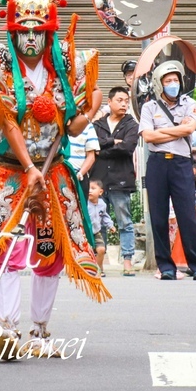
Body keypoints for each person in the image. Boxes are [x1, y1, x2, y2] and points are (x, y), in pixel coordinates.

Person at [0, 0, 106, 360]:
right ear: (13, 30)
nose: (32, 38)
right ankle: (7, 328)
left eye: (39, 30)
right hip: (10, 173)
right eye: (24, 31)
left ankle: (39, 331)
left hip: (53, 174)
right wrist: (28, 167)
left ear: (49, 30)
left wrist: (88, 111)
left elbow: (71, 128)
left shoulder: (66, 61)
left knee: (49, 251)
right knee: (6, 248)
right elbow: (6, 122)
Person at [139, 60, 196, 281]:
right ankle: (165, 267)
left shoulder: (189, 103)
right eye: (168, 81)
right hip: (157, 164)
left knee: (187, 216)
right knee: (158, 217)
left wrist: (163, 132)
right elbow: (148, 136)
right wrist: (177, 130)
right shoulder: (149, 107)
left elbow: (190, 128)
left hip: (181, 164)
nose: (173, 84)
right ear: (159, 84)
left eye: (175, 80)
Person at [92, 86, 140, 276]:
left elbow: (127, 148)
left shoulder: (131, 124)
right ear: (109, 102)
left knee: (125, 222)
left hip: (121, 180)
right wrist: (113, 141)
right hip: (99, 180)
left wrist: (103, 150)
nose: (124, 104)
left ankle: (127, 262)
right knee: (98, 222)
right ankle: (99, 264)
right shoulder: (98, 124)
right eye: (119, 100)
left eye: (126, 101)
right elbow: (93, 144)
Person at [86, 180, 115, 278]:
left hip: (96, 232)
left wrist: (110, 225)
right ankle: (81, 269)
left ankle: (99, 268)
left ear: (100, 192)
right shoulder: (85, 203)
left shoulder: (102, 204)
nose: (90, 191)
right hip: (84, 233)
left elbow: (104, 216)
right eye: (88, 188)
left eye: (93, 188)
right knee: (85, 252)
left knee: (101, 249)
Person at [67, 119, 99, 201]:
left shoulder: (88, 126)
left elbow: (91, 156)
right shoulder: (55, 124)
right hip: (56, 175)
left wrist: (79, 174)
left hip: (79, 177)